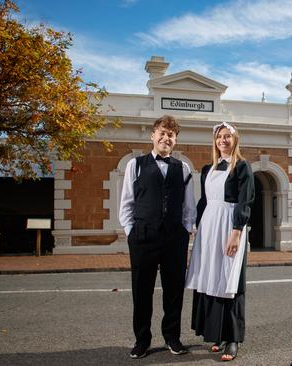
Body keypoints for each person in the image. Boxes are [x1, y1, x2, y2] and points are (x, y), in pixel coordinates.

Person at [119, 115, 196, 359]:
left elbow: (189, 207)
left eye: (171, 135)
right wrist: (131, 232)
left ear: (175, 140)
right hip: (143, 237)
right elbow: (127, 203)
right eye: (162, 133)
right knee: (142, 291)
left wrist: (186, 230)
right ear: (152, 135)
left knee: (174, 291)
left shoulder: (183, 168)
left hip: (175, 238)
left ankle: (172, 337)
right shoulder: (136, 164)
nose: (166, 138)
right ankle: (142, 340)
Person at [185, 122, 255, 362]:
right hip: (208, 226)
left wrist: (236, 231)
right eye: (219, 137)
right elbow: (204, 201)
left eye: (227, 136)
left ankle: (233, 339)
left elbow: (246, 202)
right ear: (214, 141)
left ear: (235, 140)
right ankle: (216, 334)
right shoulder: (208, 169)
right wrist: (194, 225)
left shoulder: (243, 167)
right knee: (210, 277)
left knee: (229, 279)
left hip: (229, 225)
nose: (223, 140)